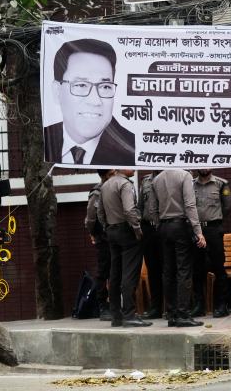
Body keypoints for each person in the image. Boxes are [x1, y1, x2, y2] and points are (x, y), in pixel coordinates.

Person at [44, 38, 135, 166]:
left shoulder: (132, 148)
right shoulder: (43, 140)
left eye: (105, 87)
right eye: (81, 85)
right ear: (57, 91)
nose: (94, 101)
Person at [151, 170, 206, 327]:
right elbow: (190, 205)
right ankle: (183, 314)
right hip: (180, 226)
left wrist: (159, 224)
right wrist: (198, 231)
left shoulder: (156, 179)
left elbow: (153, 208)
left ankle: (172, 314)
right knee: (184, 270)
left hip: (164, 226)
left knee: (168, 271)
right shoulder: (185, 175)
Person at [98, 170, 151, 327]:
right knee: (130, 273)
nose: (133, 168)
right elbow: (129, 210)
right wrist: (137, 228)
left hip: (112, 230)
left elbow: (100, 212)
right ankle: (129, 314)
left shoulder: (104, 185)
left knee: (115, 273)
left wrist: (107, 227)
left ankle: (116, 315)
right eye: (130, 165)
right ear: (120, 168)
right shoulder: (125, 184)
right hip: (126, 231)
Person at [191, 169, 231, 318]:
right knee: (197, 269)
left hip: (214, 230)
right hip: (196, 230)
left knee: (218, 267)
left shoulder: (221, 184)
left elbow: (227, 207)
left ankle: (221, 305)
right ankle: (199, 305)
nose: (204, 167)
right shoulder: (190, 185)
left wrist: (215, 219)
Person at [84, 169, 115, 320]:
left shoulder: (116, 187)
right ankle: (103, 306)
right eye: (111, 174)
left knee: (115, 271)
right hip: (103, 238)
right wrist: (93, 233)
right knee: (104, 271)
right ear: (104, 176)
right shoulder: (97, 192)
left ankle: (115, 304)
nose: (114, 176)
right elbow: (90, 218)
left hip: (116, 235)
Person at [137, 171, 164, 319]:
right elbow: (140, 206)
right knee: (153, 270)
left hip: (164, 227)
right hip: (148, 229)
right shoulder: (145, 181)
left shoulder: (168, 177)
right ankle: (156, 308)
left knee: (168, 269)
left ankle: (171, 307)